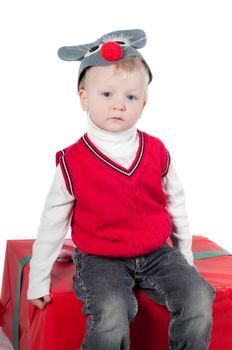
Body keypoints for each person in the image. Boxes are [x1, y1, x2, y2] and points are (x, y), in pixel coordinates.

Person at [27, 29, 215, 350]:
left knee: (198, 298)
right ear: (84, 98)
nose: (119, 106)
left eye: (130, 97)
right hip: (101, 257)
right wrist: (38, 278)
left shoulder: (155, 150)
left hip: (157, 253)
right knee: (112, 311)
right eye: (106, 95)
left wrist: (184, 258)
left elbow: (176, 204)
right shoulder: (72, 161)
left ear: (143, 104)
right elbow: (52, 223)